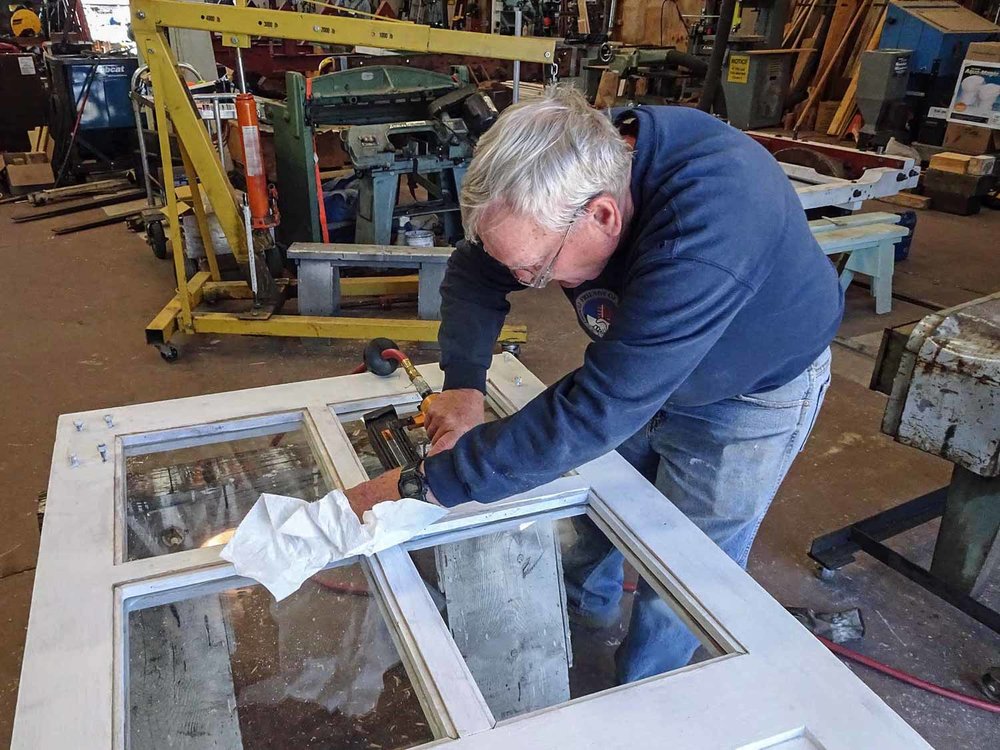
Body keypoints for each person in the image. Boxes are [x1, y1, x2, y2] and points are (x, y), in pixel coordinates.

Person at [346, 87, 843, 682]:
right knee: (593, 520)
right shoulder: (563, 163)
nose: (528, 281)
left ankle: (642, 700)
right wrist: (464, 383)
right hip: (640, 362)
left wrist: (421, 484)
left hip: (748, 393)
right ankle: (577, 622)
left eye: (536, 268)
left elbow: (598, 408)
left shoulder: (714, 219)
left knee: (687, 568)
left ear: (604, 214)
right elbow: (477, 275)